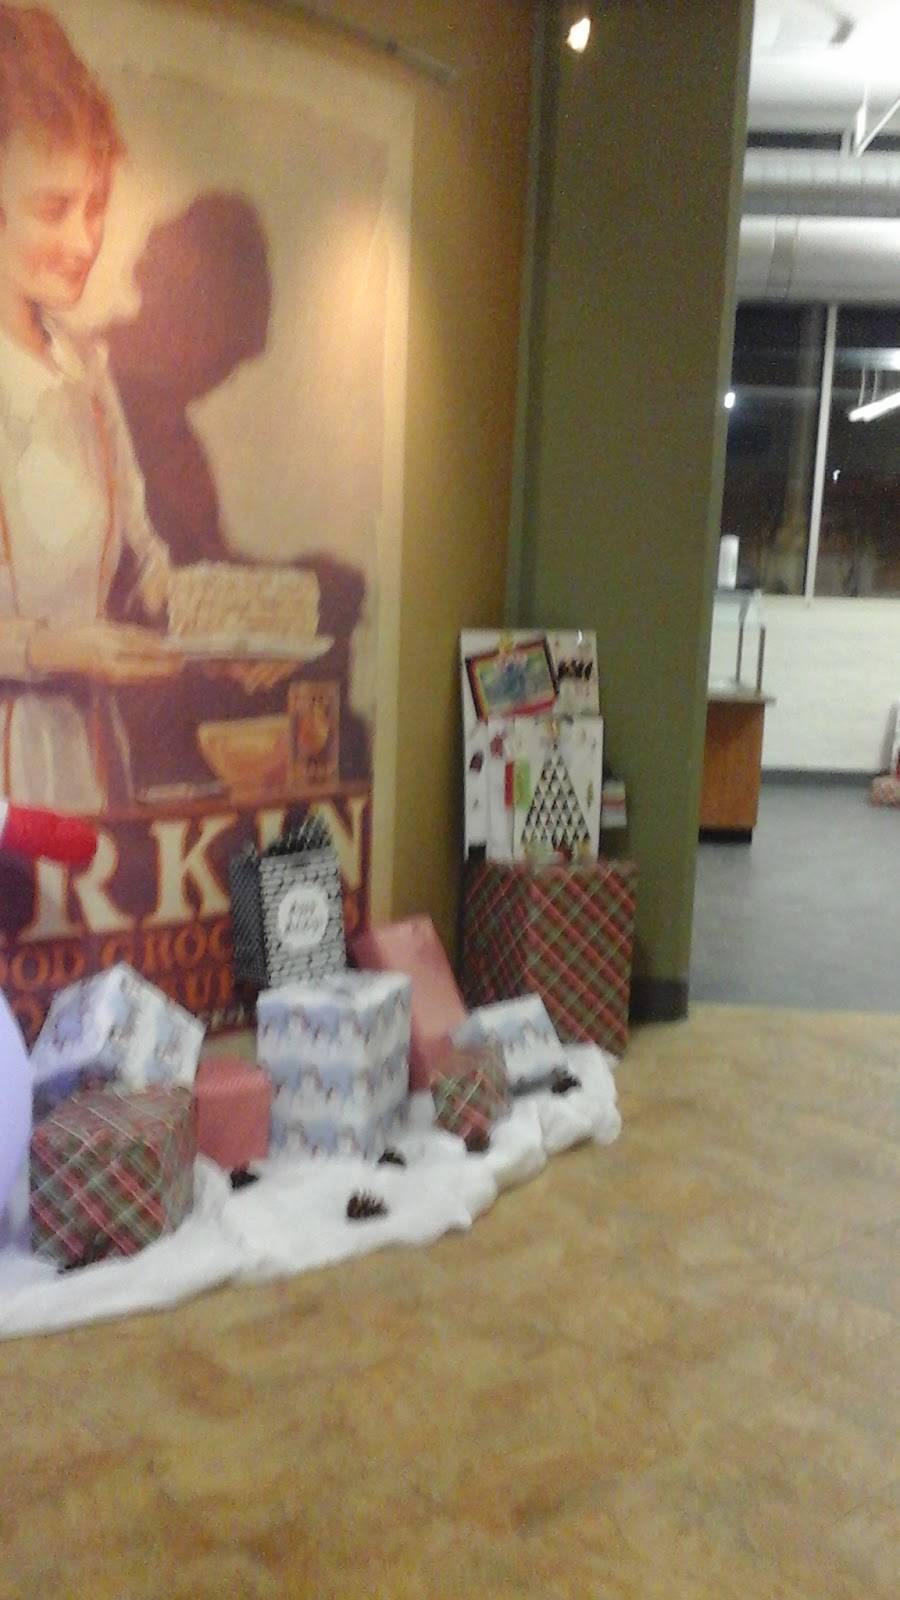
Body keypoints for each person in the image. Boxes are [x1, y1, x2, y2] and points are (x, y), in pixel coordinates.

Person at [0, 4, 180, 812]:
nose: (83, 241)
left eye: (96, 204)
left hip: (93, 764)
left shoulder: (88, 372)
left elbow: (141, 557)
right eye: (53, 208)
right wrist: (51, 648)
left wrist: (208, 625)